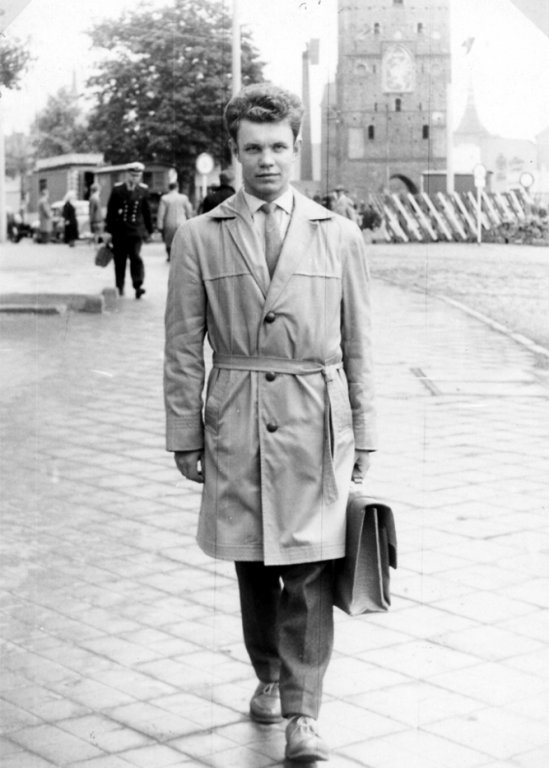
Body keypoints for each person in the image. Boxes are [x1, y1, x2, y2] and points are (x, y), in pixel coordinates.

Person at [164, 83, 376, 763]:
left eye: (279, 146)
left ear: (295, 147)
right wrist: (185, 434)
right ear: (232, 154)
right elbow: (181, 345)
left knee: (311, 567)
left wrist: (365, 431)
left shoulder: (337, 234)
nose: (267, 160)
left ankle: (302, 713)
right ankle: (269, 673)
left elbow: (359, 343)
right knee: (254, 567)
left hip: (317, 419)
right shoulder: (200, 237)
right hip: (236, 417)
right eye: (252, 148)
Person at [105, 162, 153, 298]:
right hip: (119, 231)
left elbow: (146, 212)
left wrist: (150, 230)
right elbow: (111, 212)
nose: (134, 178)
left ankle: (138, 285)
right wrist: (108, 231)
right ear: (127, 175)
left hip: (135, 231)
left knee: (136, 258)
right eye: (132, 175)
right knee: (119, 260)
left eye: (137, 176)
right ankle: (119, 287)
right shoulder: (117, 190)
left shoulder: (143, 190)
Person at [156, 182, 193, 262]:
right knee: (181, 240)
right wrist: (190, 220)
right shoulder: (184, 198)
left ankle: (170, 256)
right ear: (177, 188)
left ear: (169, 188)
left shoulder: (164, 198)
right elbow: (188, 211)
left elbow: (161, 213)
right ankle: (180, 256)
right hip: (182, 222)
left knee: (168, 241)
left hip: (169, 223)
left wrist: (160, 226)